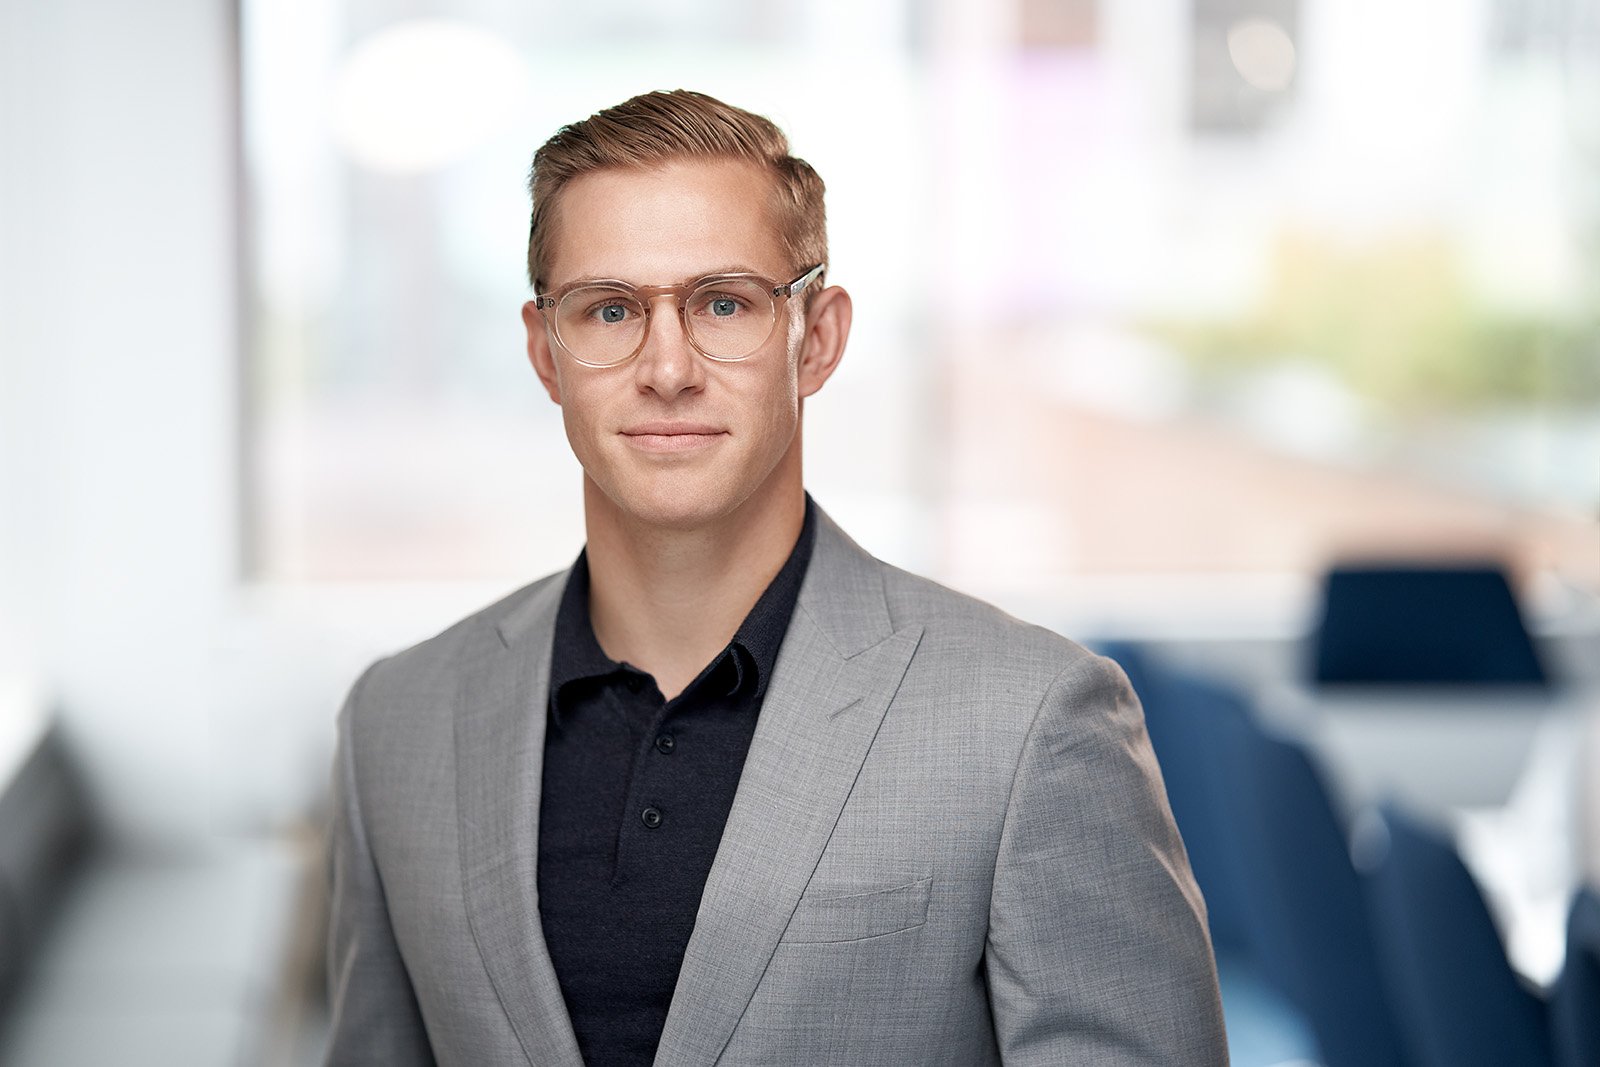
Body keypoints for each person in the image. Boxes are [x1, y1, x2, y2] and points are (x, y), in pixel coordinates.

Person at [325, 89, 1227, 1066]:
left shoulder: (1028, 719)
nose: (666, 367)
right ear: (547, 351)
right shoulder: (397, 723)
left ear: (819, 336)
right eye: (611, 308)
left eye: (723, 303)